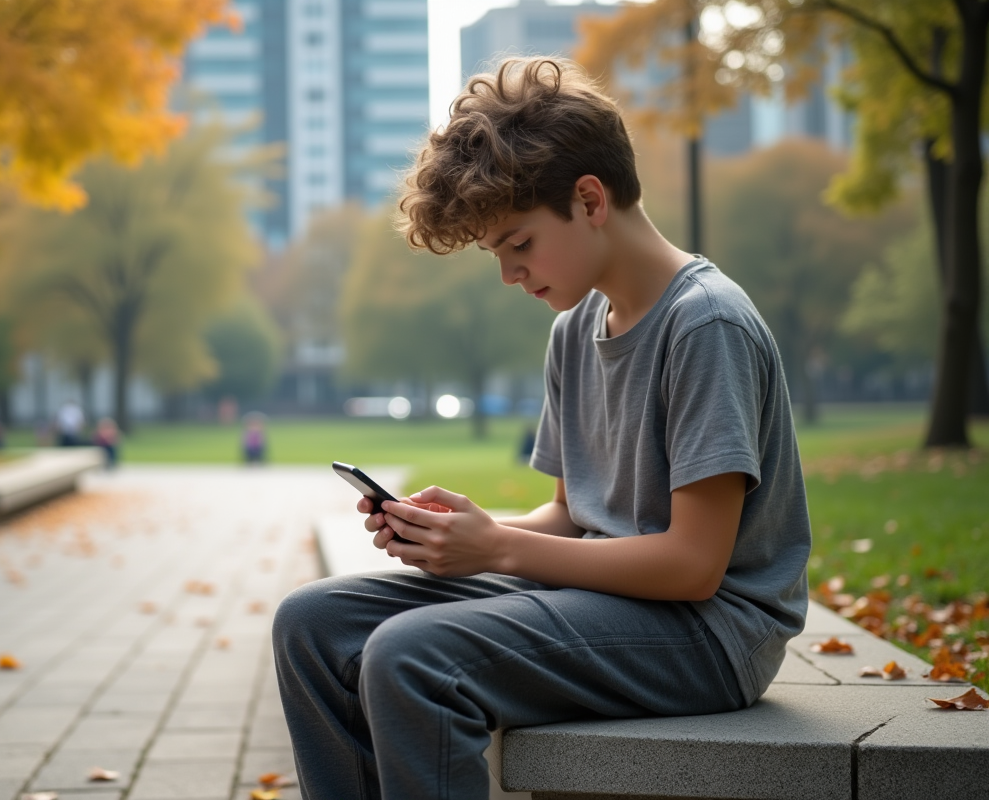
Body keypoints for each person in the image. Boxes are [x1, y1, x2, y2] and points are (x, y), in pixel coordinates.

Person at [272, 57, 810, 800]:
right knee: (311, 623)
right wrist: (465, 530)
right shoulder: (577, 323)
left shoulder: (704, 324)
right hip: (620, 608)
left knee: (409, 655)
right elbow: (572, 514)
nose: (509, 275)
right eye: (498, 255)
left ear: (590, 199)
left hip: (710, 634)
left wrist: (497, 548)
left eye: (518, 245)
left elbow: (694, 565)